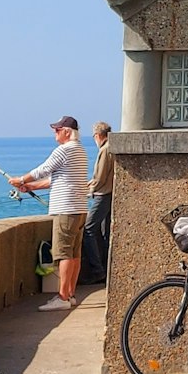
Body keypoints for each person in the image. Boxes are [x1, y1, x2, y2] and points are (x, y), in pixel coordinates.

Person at [8, 116, 89, 311]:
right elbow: (56, 180)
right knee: (75, 253)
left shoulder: (64, 150)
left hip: (65, 209)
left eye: (57, 130)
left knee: (63, 253)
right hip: (79, 208)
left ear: (67, 132)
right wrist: (30, 187)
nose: (55, 133)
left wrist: (20, 179)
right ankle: (70, 294)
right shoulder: (80, 151)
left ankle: (61, 297)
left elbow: (43, 170)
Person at [82, 120, 114, 283]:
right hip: (109, 194)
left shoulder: (104, 150)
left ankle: (97, 270)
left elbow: (100, 177)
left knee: (88, 230)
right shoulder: (111, 148)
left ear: (98, 135)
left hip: (103, 195)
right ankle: (106, 269)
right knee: (105, 233)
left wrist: (90, 190)